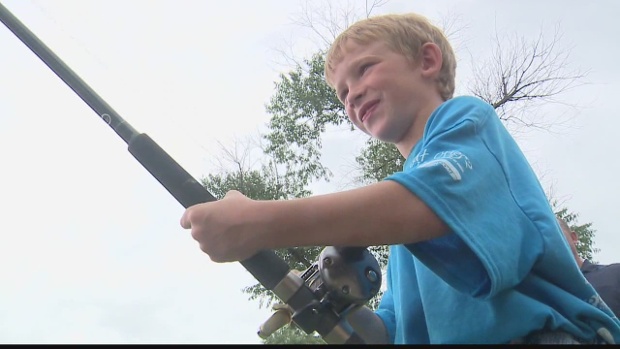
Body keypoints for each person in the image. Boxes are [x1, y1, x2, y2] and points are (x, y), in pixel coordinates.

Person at [179, 13, 620, 344]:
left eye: (364, 70)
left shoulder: (466, 123)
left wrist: (260, 222)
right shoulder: (403, 237)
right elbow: (389, 332)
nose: (353, 94)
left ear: (427, 61)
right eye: (343, 93)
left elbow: (427, 202)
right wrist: (323, 301)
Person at [557, 217, 620, 318]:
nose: (550, 241)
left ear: (573, 237)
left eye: (556, 233)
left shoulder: (615, 274)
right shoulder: (540, 293)